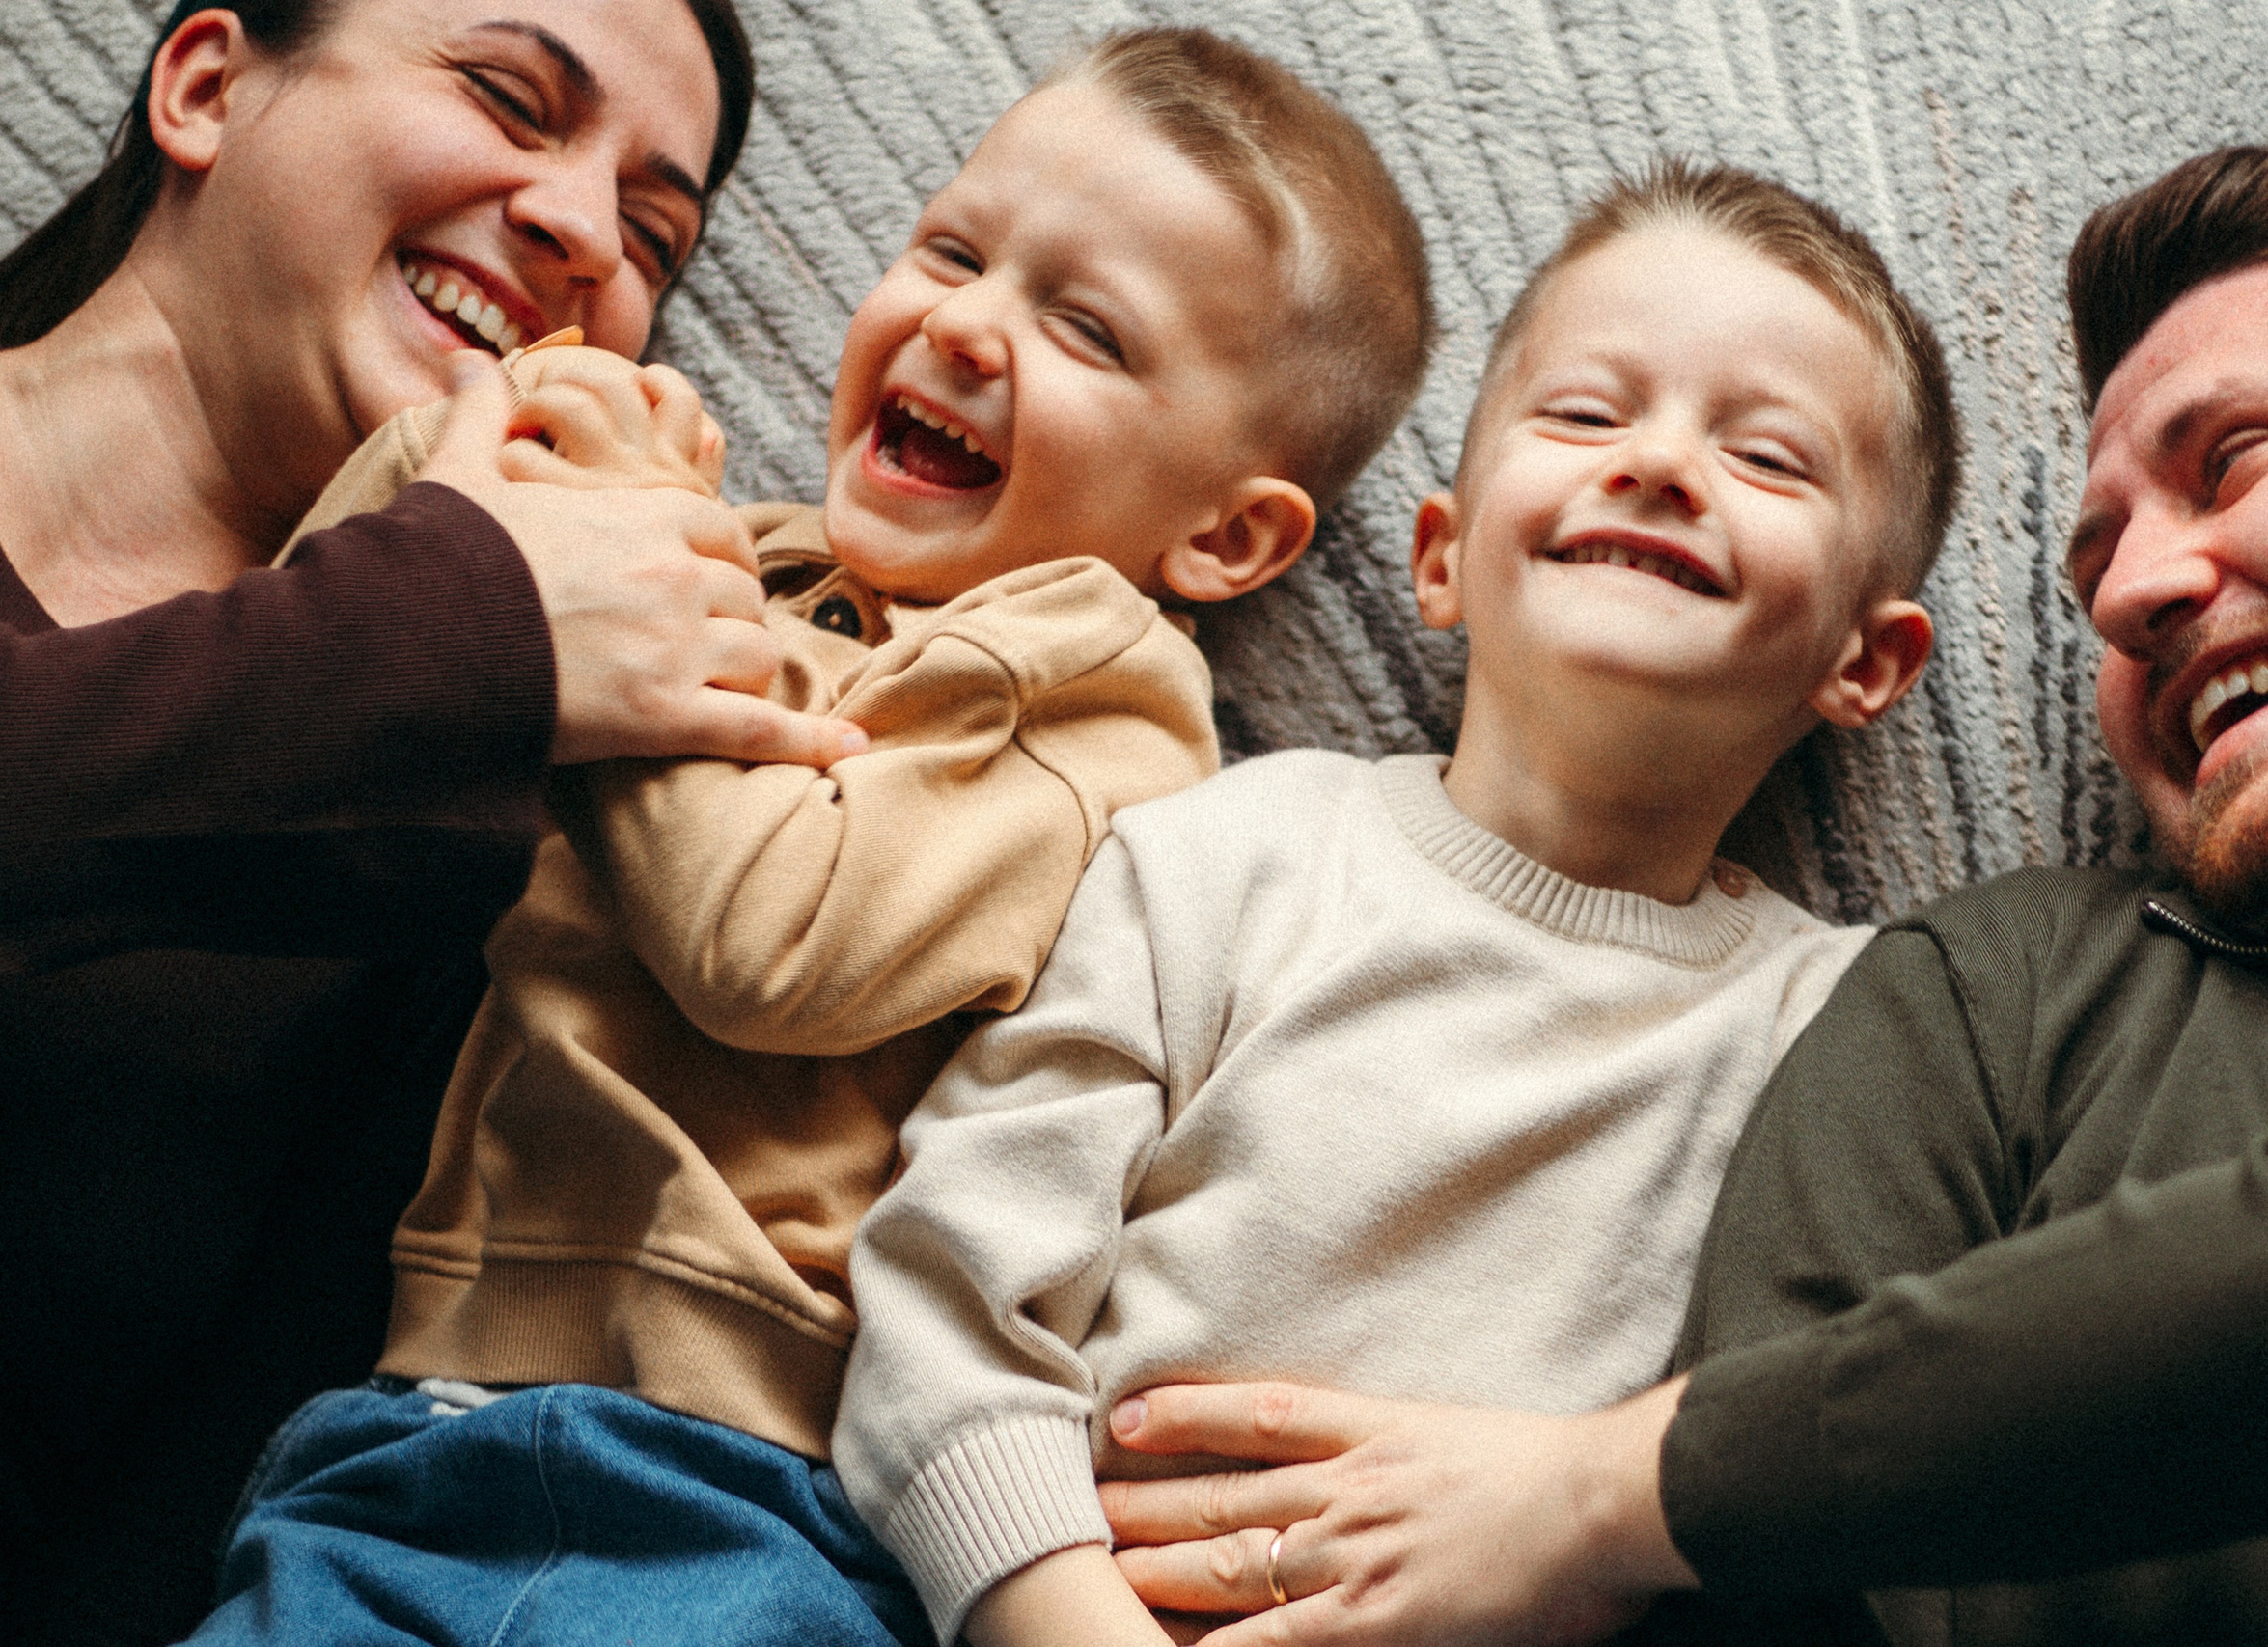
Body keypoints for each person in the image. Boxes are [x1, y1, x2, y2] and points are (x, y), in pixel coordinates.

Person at [1082, 143, 2268, 1647]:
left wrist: (1588, 1495)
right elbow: (1775, 1596)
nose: (2131, 594)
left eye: (2238, 459)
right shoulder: (1994, 995)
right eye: (2094, 567)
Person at [183, 30, 1435, 1647]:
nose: (968, 324)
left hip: (733, 1483)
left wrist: (618, 575)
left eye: (1085, 329)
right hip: (409, 1409)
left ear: (1226, 533)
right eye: (952, 251)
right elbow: (321, 666)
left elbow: (773, 946)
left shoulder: (1098, 707)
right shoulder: (728, 555)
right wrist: (476, 472)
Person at [829, 159, 1954, 1647]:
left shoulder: (1843, 1027)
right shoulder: (1226, 858)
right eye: (1588, 413)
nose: (1663, 464)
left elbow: (1867, 1421)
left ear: (1867, 664)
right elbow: (944, 1303)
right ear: (1441, 558)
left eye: (1769, 457)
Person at [0, 0, 861, 1639]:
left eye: (654, 233)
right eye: (508, 96)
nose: (584, 231)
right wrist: (465, 632)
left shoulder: (484, 879)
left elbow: (213, 1502)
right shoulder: (454, 674)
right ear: (205, 84)